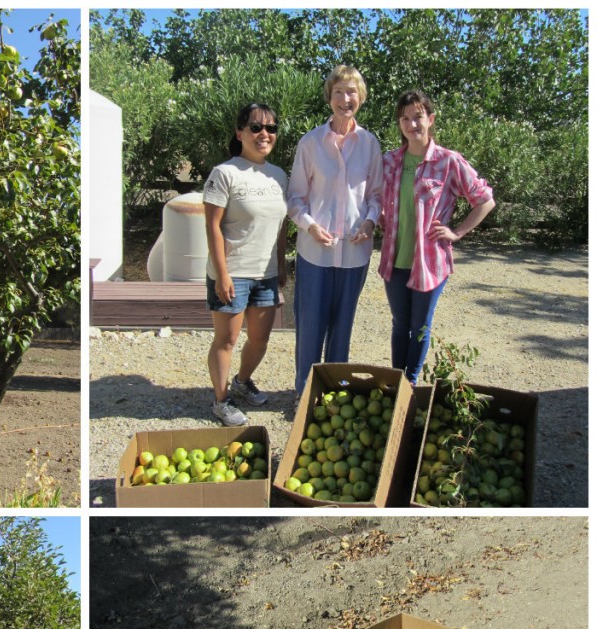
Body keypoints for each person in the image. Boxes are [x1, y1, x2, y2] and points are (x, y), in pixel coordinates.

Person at [378, 90, 496, 383]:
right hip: (395, 260)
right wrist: (379, 218)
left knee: (420, 326)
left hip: (430, 262)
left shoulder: (448, 161)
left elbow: (485, 200)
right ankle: (397, 383)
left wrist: (458, 232)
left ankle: (412, 381)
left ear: (429, 119)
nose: (411, 124)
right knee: (399, 324)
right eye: (404, 119)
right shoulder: (389, 161)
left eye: (417, 117)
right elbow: (373, 197)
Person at [287, 66, 382, 405]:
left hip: (355, 253)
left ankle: (336, 393)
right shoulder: (311, 143)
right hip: (315, 252)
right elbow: (295, 198)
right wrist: (310, 225)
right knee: (310, 326)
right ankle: (304, 393)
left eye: (352, 92)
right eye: (339, 91)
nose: (346, 99)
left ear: (361, 97)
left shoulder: (370, 144)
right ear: (330, 97)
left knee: (342, 328)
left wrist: (370, 222)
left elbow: (375, 196)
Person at [203, 102, 289, 426]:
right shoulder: (224, 173)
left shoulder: (279, 175)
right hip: (233, 273)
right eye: (256, 127)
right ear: (240, 133)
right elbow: (212, 226)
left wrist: (281, 265)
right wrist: (222, 273)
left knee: (260, 339)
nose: (264, 134)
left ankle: (241, 381)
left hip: (265, 275)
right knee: (226, 340)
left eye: (271, 128)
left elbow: (281, 226)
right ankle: (221, 400)